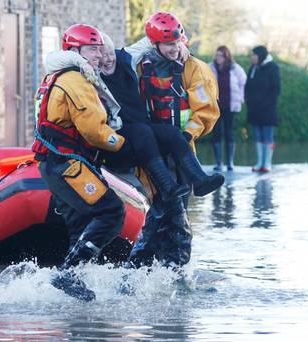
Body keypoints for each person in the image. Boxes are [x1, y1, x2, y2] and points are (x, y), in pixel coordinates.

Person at [44, 31, 225, 261]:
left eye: (108, 53)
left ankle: (200, 179)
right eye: (99, 53)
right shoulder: (88, 73)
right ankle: (158, 268)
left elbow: (151, 40)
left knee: (167, 141)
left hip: (156, 147)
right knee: (150, 208)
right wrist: (82, 61)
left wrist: (180, 46)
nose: (106, 58)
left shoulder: (127, 58)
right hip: (125, 144)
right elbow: (53, 60)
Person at [32, 24, 127, 301]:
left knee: (80, 224)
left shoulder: (57, 75)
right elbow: (94, 131)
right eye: (92, 49)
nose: (98, 55)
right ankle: (68, 273)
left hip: (57, 165)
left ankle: (72, 286)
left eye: (99, 48)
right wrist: (122, 144)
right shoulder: (75, 79)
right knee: (111, 212)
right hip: (68, 166)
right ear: (74, 50)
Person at [127, 11, 221, 269]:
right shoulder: (138, 66)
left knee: (170, 213)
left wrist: (187, 134)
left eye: (176, 42)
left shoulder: (195, 69)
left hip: (181, 151)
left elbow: (206, 111)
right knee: (163, 212)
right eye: (168, 44)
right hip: (150, 153)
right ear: (153, 43)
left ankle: (155, 270)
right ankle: (162, 271)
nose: (174, 48)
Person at [209, 46, 247, 172]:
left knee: (229, 132)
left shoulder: (235, 68)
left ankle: (230, 162)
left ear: (226, 57)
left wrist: (241, 98)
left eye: (220, 55)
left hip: (230, 105)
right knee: (216, 133)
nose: (217, 58)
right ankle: (219, 163)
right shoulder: (211, 67)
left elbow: (243, 82)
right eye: (217, 55)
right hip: (215, 105)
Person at [245, 45, 280, 172]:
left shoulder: (273, 68)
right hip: (254, 109)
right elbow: (247, 86)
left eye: (254, 55)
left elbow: (276, 89)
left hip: (268, 109)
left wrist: (267, 103)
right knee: (257, 136)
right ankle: (259, 163)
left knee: (267, 136)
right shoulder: (253, 68)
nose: (252, 57)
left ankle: (267, 163)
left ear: (260, 55)